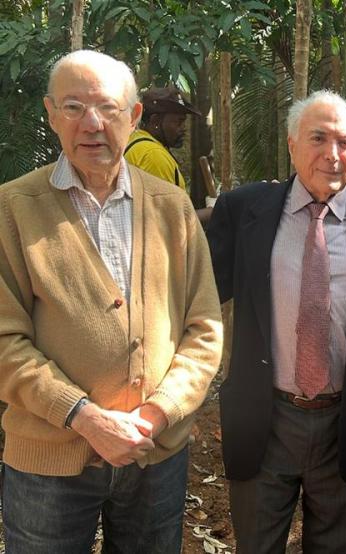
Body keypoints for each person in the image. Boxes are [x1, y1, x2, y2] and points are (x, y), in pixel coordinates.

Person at [0, 50, 223, 553]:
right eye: (74, 107)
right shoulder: (12, 208)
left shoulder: (171, 206)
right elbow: (4, 340)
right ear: (50, 113)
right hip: (48, 458)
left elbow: (204, 327)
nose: (92, 124)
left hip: (154, 454)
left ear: (134, 116)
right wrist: (86, 418)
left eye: (108, 107)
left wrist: (157, 415)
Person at [206, 90, 346, 553]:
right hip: (265, 417)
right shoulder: (244, 212)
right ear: (292, 144)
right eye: (318, 138)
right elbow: (198, 295)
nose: (332, 155)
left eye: (345, 143)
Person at [125, 86, 213, 225]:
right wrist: (212, 212)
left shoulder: (135, 142)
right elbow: (167, 221)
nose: (183, 128)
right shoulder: (153, 155)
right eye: (178, 122)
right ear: (155, 122)